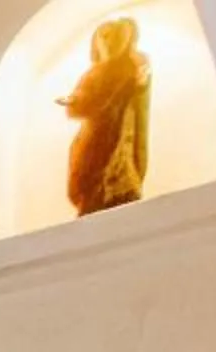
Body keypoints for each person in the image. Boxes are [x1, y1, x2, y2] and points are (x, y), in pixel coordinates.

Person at [62, 17, 151, 217]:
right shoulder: (92, 74)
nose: (109, 43)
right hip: (94, 137)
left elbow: (138, 93)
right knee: (91, 175)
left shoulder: (131, 67)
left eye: (116, 38)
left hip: (119, 133)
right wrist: (74, 101)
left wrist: (138, 81)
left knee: (120, 173)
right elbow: (79, 105)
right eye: (104, 38)